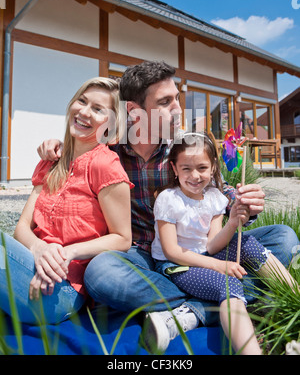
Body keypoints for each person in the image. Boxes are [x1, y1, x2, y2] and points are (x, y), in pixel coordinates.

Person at [37, 61, 299, 352]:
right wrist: (55, 146)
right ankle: (229, 300)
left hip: (200, 247)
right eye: (165, 102)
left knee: (283, 238)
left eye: (177, 98)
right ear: (135, 111)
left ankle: (195, 309)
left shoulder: (185, 146)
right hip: (143, 255)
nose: (177, 108)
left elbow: (216, 195)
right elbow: (76, 150)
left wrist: (246, 205)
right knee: (101, 273)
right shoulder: (108, 150)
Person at [0, 77, 133, 325]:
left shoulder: (105, 164)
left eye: (97, 109)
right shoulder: (52, 162)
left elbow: (123, 238)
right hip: (30, 265)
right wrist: (40, 249)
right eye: (81, 101)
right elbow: (22, 228)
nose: (84, 111)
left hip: (60, 289)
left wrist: (64, 254)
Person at [151, 132, 298, 355]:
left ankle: (295, 298)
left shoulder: (214, 197)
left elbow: (212, 244)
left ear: (213, 167)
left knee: (246, 242)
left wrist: (234, 223)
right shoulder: (169, 199)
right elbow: (172, 251)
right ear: (174, 168)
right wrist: (219, 267)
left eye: (201, 167)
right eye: (186, 168)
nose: (195, 176)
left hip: (205, 255)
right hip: (178, 264)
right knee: (228, 285)